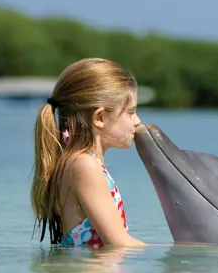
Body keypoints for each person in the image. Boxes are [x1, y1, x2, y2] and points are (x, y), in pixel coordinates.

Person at [30, 57, 146, 248]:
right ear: (100, 117)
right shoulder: (84, 165)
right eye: (130, 112)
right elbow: (119, 244)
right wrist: (182, 254)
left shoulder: (79, 163)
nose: (137, 121)